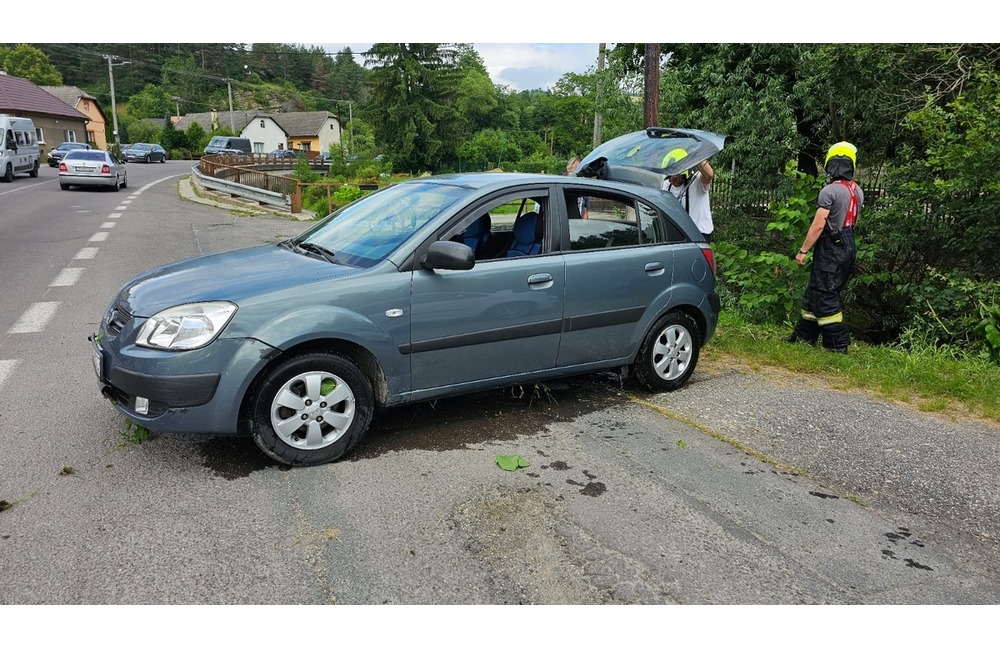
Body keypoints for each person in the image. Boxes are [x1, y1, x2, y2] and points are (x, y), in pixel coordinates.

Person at [787, 141, 864, 354]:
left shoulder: (829, 191)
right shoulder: (857, 191)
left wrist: (803, 251)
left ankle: (838, 344)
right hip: (847, 246)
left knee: (825, 296)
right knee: (816, 291)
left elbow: (819, 224)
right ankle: (804, 336)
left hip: (831, 249)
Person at [663, 159, 715, 242]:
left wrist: (697, 155)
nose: (672, 180)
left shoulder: (697, 181)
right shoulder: (666, 185)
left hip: (699, 233)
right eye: (670, 176)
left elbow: (709, 175)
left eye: (676, 176)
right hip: (678, 232)